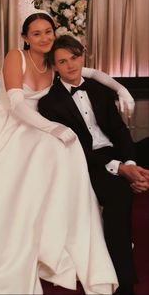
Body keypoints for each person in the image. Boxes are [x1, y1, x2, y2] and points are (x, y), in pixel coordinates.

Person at [0, 11, 134, 295]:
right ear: (25, 38)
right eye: (37, 33)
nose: (44, 37)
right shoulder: (15, 56)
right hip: (8, 121)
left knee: (62, 151)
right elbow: (17, 105)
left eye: (48, 31)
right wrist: (52, 129)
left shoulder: (55, 59)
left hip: (39, 125)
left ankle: (56, 232)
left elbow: (90, 73)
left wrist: (121, 89)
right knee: (40, 153)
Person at [38, 34, 149, 295]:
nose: (71, 65)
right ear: (54, 67)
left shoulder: (98, 88)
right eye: (62, 62)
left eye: (74, 58)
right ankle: (125, 284)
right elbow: (77, 147)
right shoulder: (50, 103)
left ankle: (141, 176)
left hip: (115, 153)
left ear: (82, 57)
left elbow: (119, 131)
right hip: (86, 163)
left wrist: (131, 162)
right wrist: (121, 170)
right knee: (118, 195)